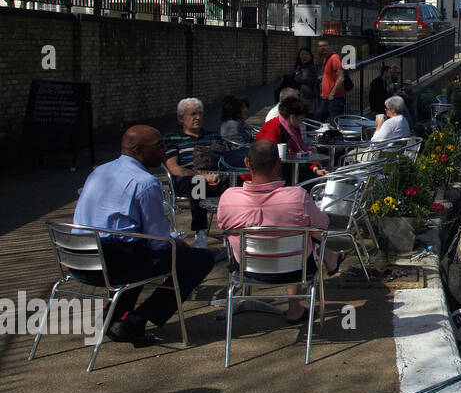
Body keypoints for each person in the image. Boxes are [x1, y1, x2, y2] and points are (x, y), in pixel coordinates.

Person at [73, 126, 217, 346]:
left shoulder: (99, 171)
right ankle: (133, 322)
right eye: (159, 146)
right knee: (200, 259)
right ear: (138, 150)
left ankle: (111, 316)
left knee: (139, 252)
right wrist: (179, 244)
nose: (165, 150)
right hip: (111, 265)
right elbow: (158, 242)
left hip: (78, 261)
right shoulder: (145, 182)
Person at [216, 140, 340, 323]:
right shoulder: (298, 198)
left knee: (301, 236)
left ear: (247, 164)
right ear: (278, 164)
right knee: (305, 236)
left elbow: (223, 228)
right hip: (295, 269)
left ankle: (328, 260)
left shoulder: (228, 199)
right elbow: (322, 226)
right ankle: (295, 307)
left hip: (246, 270)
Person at [164, 97, 226, 252]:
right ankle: (200, 232)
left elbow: (223, 161)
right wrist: (203, 176)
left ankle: (233, 230)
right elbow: (173, 167)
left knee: (234, 182)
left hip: (214, 177)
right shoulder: (173, 138)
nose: (197, 117)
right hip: (188, 181)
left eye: (200, 114)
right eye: (192, 114)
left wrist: (216, 176)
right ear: (181, 118)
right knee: (197, 182)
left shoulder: (213, 136)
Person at [255, 97, 326, 180]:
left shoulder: (293, 128)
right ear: (292, 117)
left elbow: (301, 150)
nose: (301, 122)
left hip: (287, 167)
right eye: (300, 119)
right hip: (268, 170)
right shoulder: (273, 127)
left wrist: (315, 169)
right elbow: (268, 155)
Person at [316, 38, 346, 120]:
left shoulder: (334, 58)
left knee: (335, 121)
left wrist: (332, 93)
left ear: (330, 46)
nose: (323, 48)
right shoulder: (326, 58)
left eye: (325, 45)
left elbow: (341, 77)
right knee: (319, 117)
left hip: (334, 97)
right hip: (326, 97)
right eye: (320, 46)